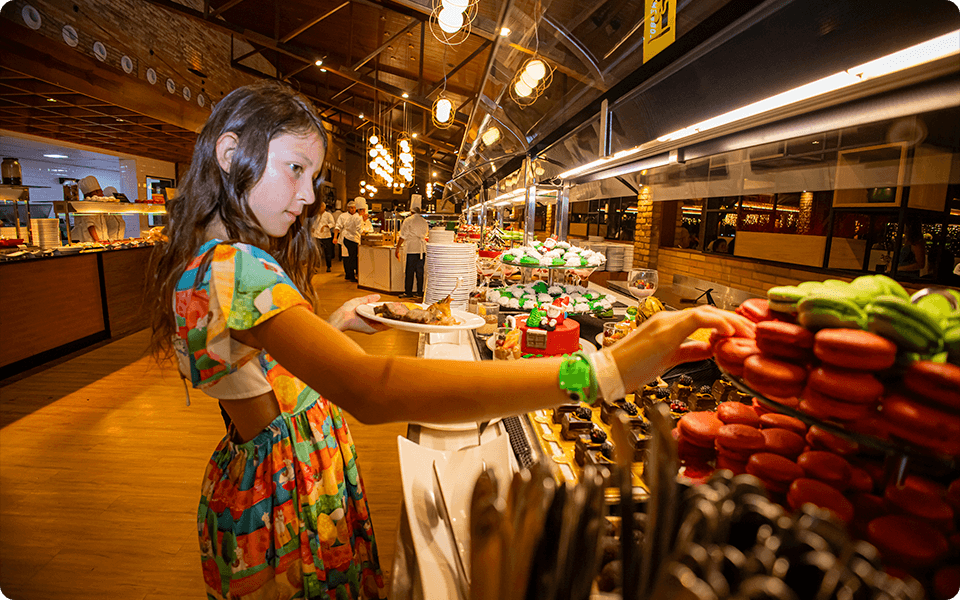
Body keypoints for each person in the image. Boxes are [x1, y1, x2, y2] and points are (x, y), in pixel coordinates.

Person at [144, 81, 752, 600]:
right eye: (295, 169)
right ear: (230, 153)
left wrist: (327, 330)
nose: (308, 197)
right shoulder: (241, 265)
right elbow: (372, 388)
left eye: (315, 176)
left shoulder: (203, 262)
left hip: (253, 483)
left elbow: (246, 373)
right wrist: (595, 372)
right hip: (289, 497)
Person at [395, 204, 429, 298]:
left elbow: (402, 236)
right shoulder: (424, 221)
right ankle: (419, 292)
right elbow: (426, 233)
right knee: (420, 272)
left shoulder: (408, 220)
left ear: (411, 211)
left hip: (412, 248)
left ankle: (408, 292)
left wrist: (397, 248)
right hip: (422, 249)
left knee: (409, 272)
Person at [71, 175, 108, 242]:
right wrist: (97, 242)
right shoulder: (86, 206)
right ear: (90, 194)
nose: (102, 193)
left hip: (103, 241)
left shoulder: (98, 205)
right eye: (99, 191)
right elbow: (90, 226)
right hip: (92, 242)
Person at [334, 198, 362, 282]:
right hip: (345, 237)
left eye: (354, 208)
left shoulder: (358, 216)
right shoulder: (343, 216)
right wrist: (335, 237)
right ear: (347, 208)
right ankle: (348, 273)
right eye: (351, 208)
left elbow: (359, 228)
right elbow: (337, 227)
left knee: (354, 257)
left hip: (355, 238)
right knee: (346, 257)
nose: (352, 209)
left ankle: (354, 273)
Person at [312, 201, 335, 272]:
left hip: (326, 236)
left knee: (327, 252)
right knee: (316, 253)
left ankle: (329, 266)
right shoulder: (316, 215)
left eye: (321, 207)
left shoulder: (328, 215)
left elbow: (332, 223)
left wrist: (326, 226)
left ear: (324, 207)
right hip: (317, 236)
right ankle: (315, 267)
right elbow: (313, 224)